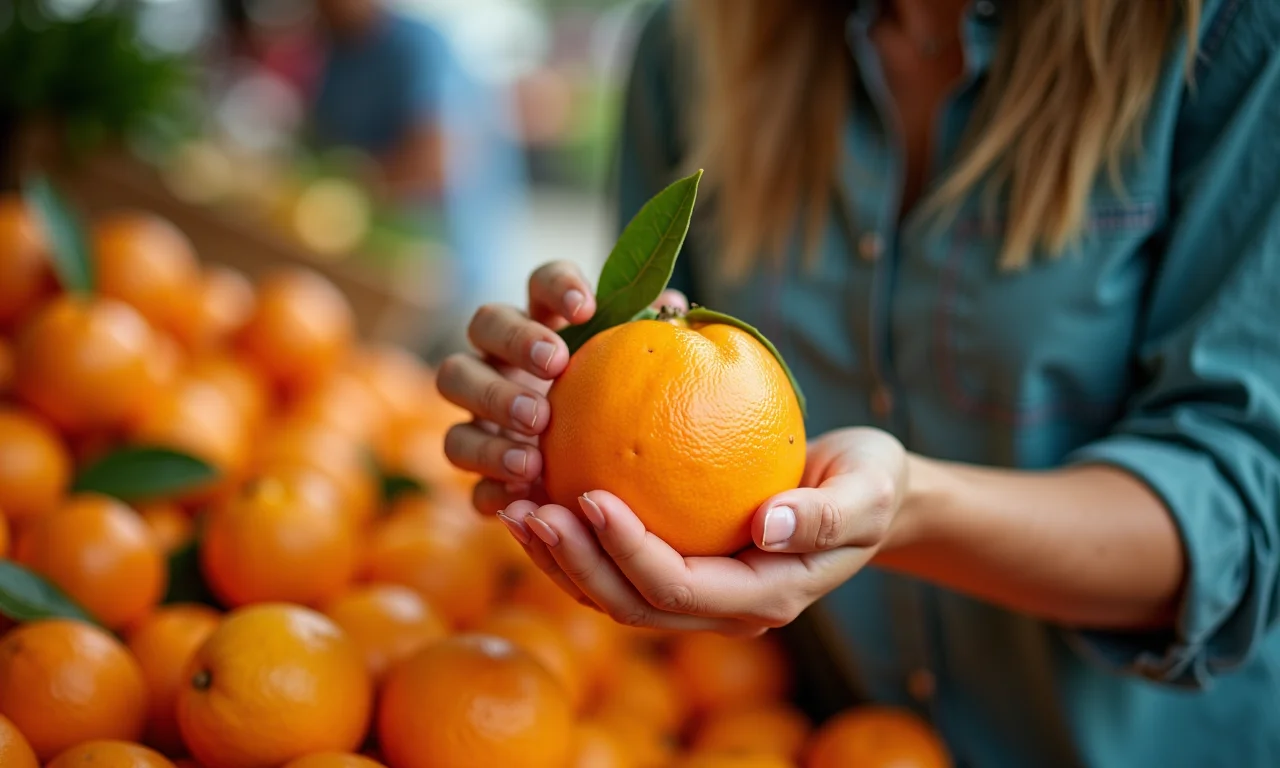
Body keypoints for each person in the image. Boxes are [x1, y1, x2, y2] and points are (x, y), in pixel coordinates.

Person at [436, 0, 1280, 765]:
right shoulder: (692, 44)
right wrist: (551, 407)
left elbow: (1241, 514)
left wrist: (904, 507)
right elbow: (654, 381)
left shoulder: (1224, 33)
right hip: (802, 737)